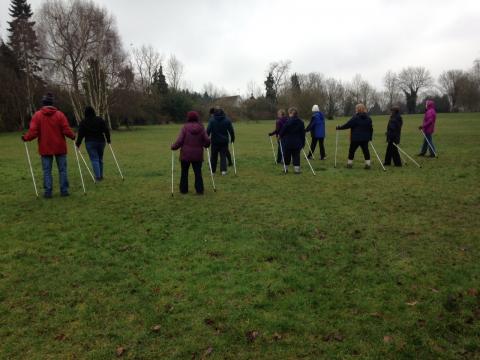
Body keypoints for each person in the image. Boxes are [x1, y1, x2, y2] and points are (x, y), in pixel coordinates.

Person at [21, 93, 76, 198]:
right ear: (52, 103)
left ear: (43, 103)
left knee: (47, 171)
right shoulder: (60, 115)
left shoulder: (37, 115)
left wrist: (26, 138)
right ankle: (64, 191)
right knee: (63, 170)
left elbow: (33, 131)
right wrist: (72, 136)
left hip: (45, 147)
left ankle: (48, 192)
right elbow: (66, 129)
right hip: (60, 147)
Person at [171, 111, 211, 194]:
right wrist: (206, 145)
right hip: (198, 155)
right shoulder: (201, 127)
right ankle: (199, 190)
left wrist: (173, 147)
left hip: (186, 154)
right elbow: (207, 140)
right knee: (198, 172)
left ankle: (183, 190)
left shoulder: (185, 127)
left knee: (184, 172)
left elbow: (180, 140)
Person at [75, 106, 111, 181]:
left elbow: (81, 134)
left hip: (90, 142)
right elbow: (106, 130)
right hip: (101, 141)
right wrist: (108, 140)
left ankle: (97, 177)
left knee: (94, 159)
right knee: (100, 159)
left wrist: (78, 144)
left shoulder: (83, 122)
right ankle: (100, 176)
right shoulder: (100, 120)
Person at [336, 103, 373, 169]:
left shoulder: (355, 118)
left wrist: (339, 127)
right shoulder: (369, 118)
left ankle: (349, 164)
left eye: (356, 108)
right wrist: (370, 137)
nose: (355, 110)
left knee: (352, 151)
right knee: (366, 151)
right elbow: (371, 129)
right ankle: (368, 164)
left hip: (356, 138)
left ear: (358, 109)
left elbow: (348, 125)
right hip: (365, 138)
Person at [207, 107, 235, 175]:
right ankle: (223, 171)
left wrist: (205, 138)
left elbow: (208, 130)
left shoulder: (212, 120)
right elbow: (231, 130)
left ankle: (213, 171)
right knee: (223, 156)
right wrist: (232, 138)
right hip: (224, 141)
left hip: (214, 141)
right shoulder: (227, 120)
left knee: (213, 156)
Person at [278, 107, 305, 174]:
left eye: (289, 113)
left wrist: (280, 135)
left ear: (291, 113)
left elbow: (283, 130)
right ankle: (297, 170)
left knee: (287, 156)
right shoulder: (301, 122)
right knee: (296, 156)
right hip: (297, 142)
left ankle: (285, 169)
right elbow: (303, 133)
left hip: (288, 142)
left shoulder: (288, 122)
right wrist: (303, 143)